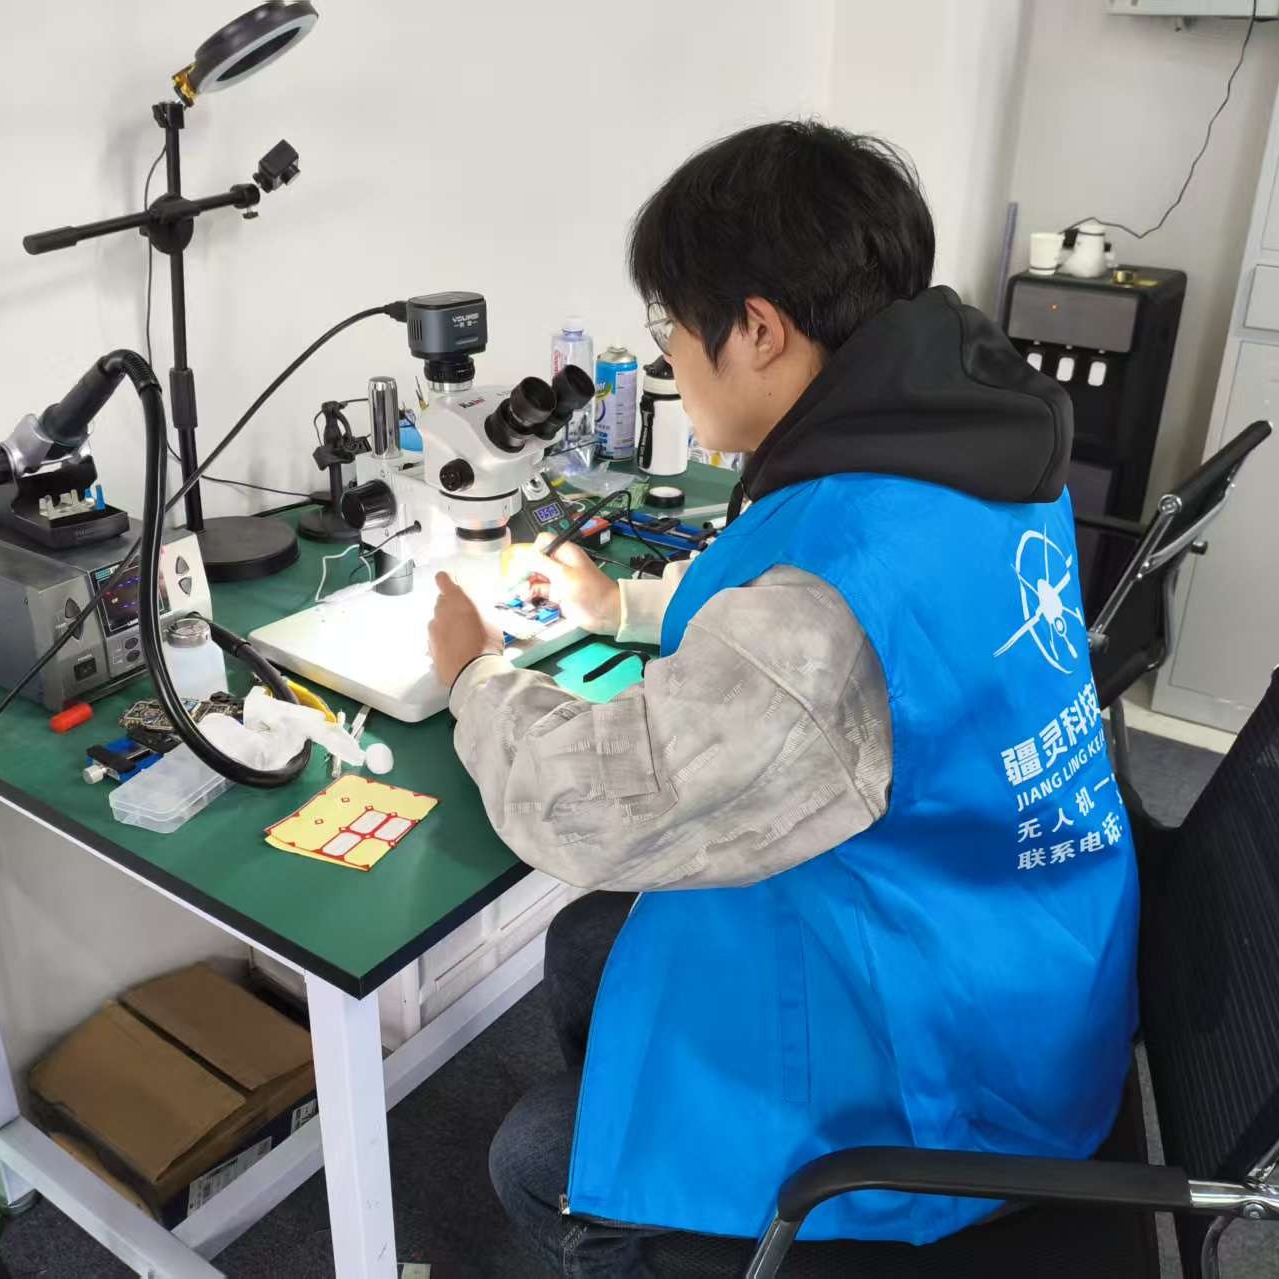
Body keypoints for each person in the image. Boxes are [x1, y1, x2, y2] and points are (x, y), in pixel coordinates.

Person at [426, 120, 1139, 1276]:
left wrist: (472, 675)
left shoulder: (821, 609)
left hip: (944, 1086)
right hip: (1025, 954)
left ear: (756, 328)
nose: (668, 355)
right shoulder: (971, 447)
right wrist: (622, 604)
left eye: (672, 325)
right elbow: (839, 596)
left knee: (530, 1154)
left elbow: (594, 811)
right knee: (588, 946)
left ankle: (651, 1228)